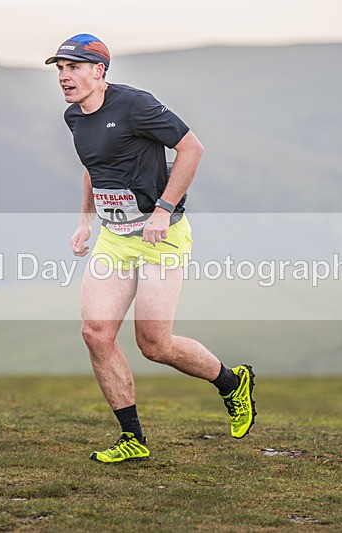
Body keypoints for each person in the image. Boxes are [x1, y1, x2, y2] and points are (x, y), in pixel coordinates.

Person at [46, 34, 256, 463]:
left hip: (162, 236)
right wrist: (84, 223)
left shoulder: (136, 105)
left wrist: (163, 209)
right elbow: (93, 169)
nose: (65, 77)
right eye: (60, 69)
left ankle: (232, 384)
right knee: (95, 334)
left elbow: (191, 148)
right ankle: (132, 438)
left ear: (99, 71)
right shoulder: (74, 117)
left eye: (74, 68)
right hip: (114, 238)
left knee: (154, 344)